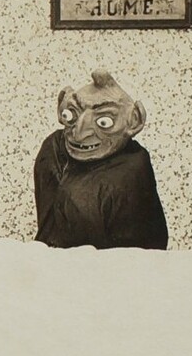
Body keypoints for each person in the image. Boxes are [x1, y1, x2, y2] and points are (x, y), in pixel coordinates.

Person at [34, 69, 168, 250]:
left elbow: (140, 250)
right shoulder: (54, 149)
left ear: (135, 121)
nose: (80, 133)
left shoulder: (131, 170)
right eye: (70, 115)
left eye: (104, 122)